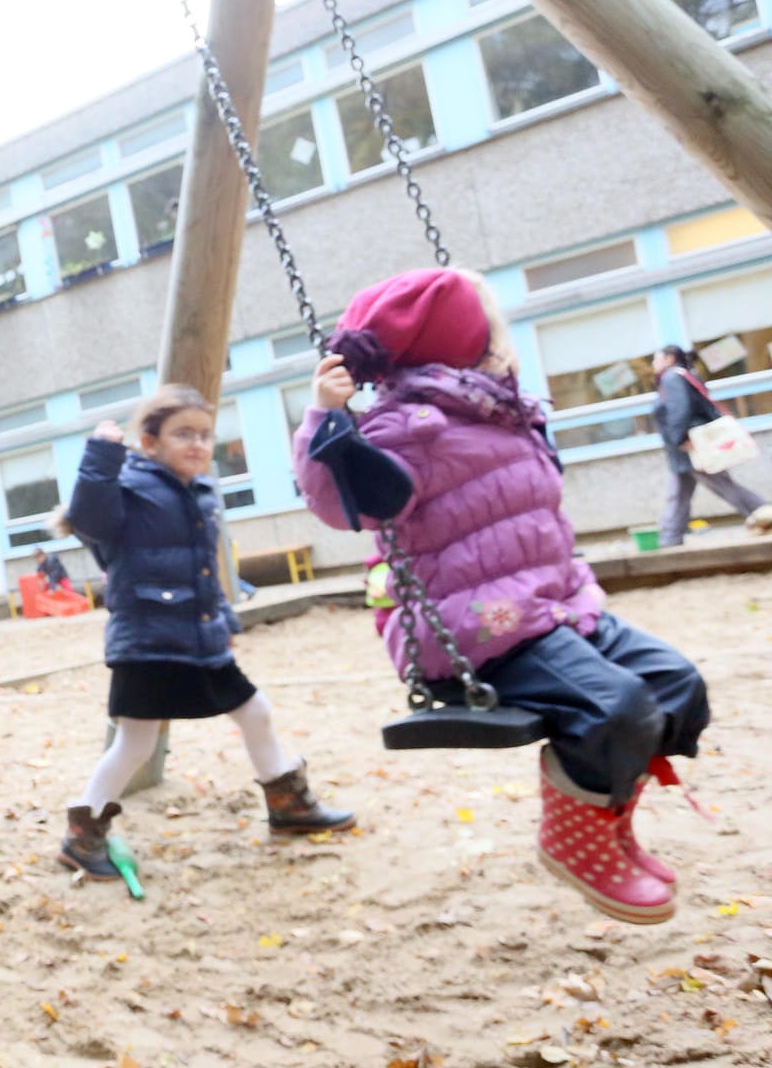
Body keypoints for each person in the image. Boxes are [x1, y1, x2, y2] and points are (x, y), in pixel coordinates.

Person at [293, 268, 708, 924]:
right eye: (496, 330)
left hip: (554, 605)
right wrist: (325, 419)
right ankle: (575, 841)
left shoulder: (498, 409)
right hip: (477, 627)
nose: (507, 343)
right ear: (460, 342)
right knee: (618, 708)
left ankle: (611, 820)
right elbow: (340, 500)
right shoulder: (411, 428)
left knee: (677, 685)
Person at [59, 386, 353, 879]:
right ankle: (82, 833)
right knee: (135, 743)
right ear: (149, 442)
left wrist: (224, 622)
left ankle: (288, 805)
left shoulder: (200, 493)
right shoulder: (127, 488)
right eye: (182, 434)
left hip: (199, 639)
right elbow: (86, 518)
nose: (197, 444)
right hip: (148, 642)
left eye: (204, 435)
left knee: (255, 712)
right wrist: (101, 454)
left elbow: (206, 571)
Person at [649, 344, 772, 546]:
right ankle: (670, 536)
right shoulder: (683, 375)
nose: (653, 364)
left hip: (690, 445)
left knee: (722, 486)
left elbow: (681, 410)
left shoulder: (672, 378)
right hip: (685, 447)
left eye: (656, 358)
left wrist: (679, 439)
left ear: (669, 358)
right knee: (679, 492)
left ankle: (763, 510)